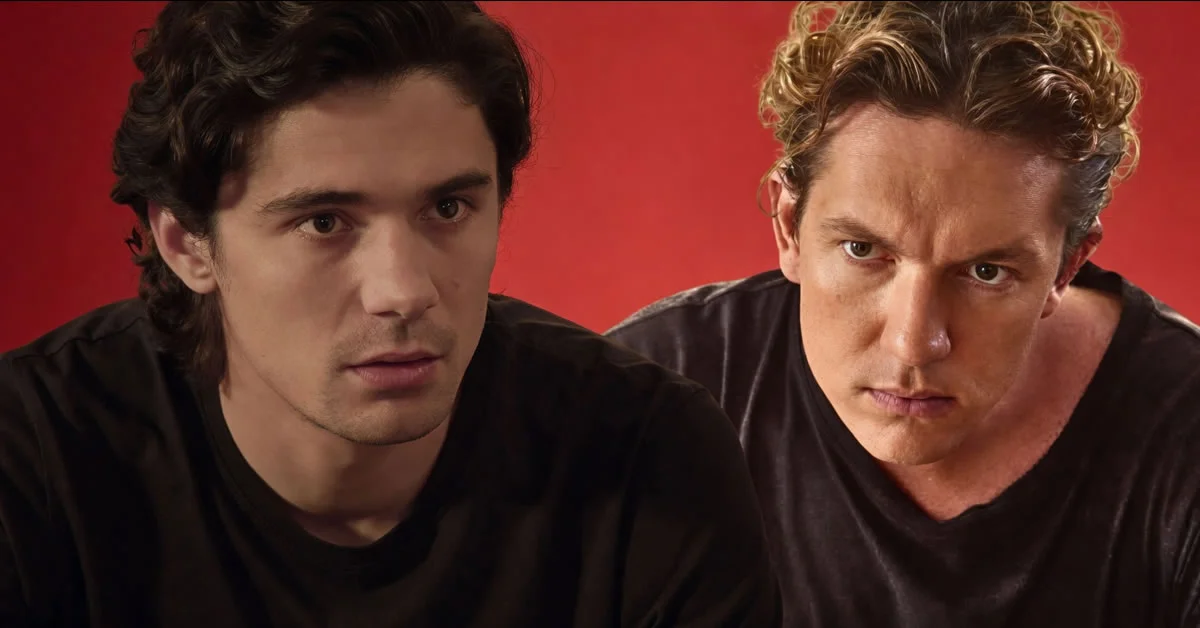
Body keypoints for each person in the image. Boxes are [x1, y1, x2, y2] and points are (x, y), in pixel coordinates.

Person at [0, 2, 781, 626]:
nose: (403, 291)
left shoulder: (651, 456)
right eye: (324, 222)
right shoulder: (33, 459)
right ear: (185, 243)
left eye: (447, 208)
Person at [608, 1, 1200, 626]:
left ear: (1066, 267)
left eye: (986, 272)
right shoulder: (652, 399)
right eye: (863, 251)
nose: (912, 344)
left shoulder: (1183, 434)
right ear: (789, 226)